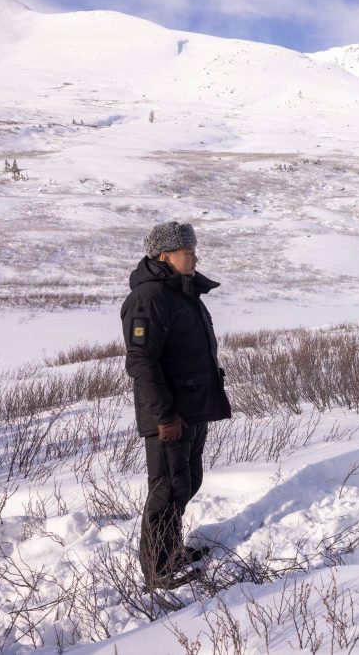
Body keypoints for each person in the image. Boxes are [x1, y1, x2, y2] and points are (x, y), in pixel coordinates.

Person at [121, 221, 232, 588]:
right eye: (189, 252)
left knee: (186, 482)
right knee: (167, 489)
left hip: (191, 411)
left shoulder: (181, 293)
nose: (196, 257)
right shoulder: (149, 298)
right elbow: (141, 362)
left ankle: (171, 551)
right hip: (169, 416)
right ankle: (158, 570)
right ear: (166, 256)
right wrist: (164, 415)